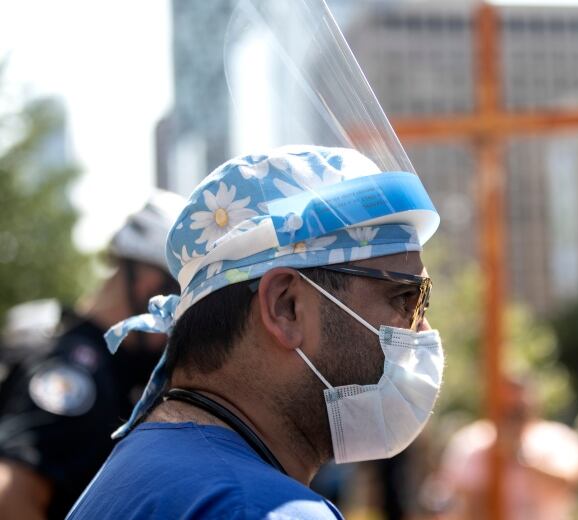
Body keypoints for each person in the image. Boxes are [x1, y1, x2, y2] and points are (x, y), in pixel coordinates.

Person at [66, 145, 444, 519]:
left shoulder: (143, 467)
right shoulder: (263, 509)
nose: (422, 329)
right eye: (406, 298)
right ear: (286, 307)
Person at [0, 190, 185, 519]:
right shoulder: (78, 373)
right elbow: (10, 493)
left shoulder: (107, 363)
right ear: (146, 282)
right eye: (176, 296)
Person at [438, 376, 578, 520]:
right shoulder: (470, 442)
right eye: (506, 411)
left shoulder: (557, 438)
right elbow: (459, 501)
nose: (512, 419)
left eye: (518, 411)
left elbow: (568, 482)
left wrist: (518, 457)